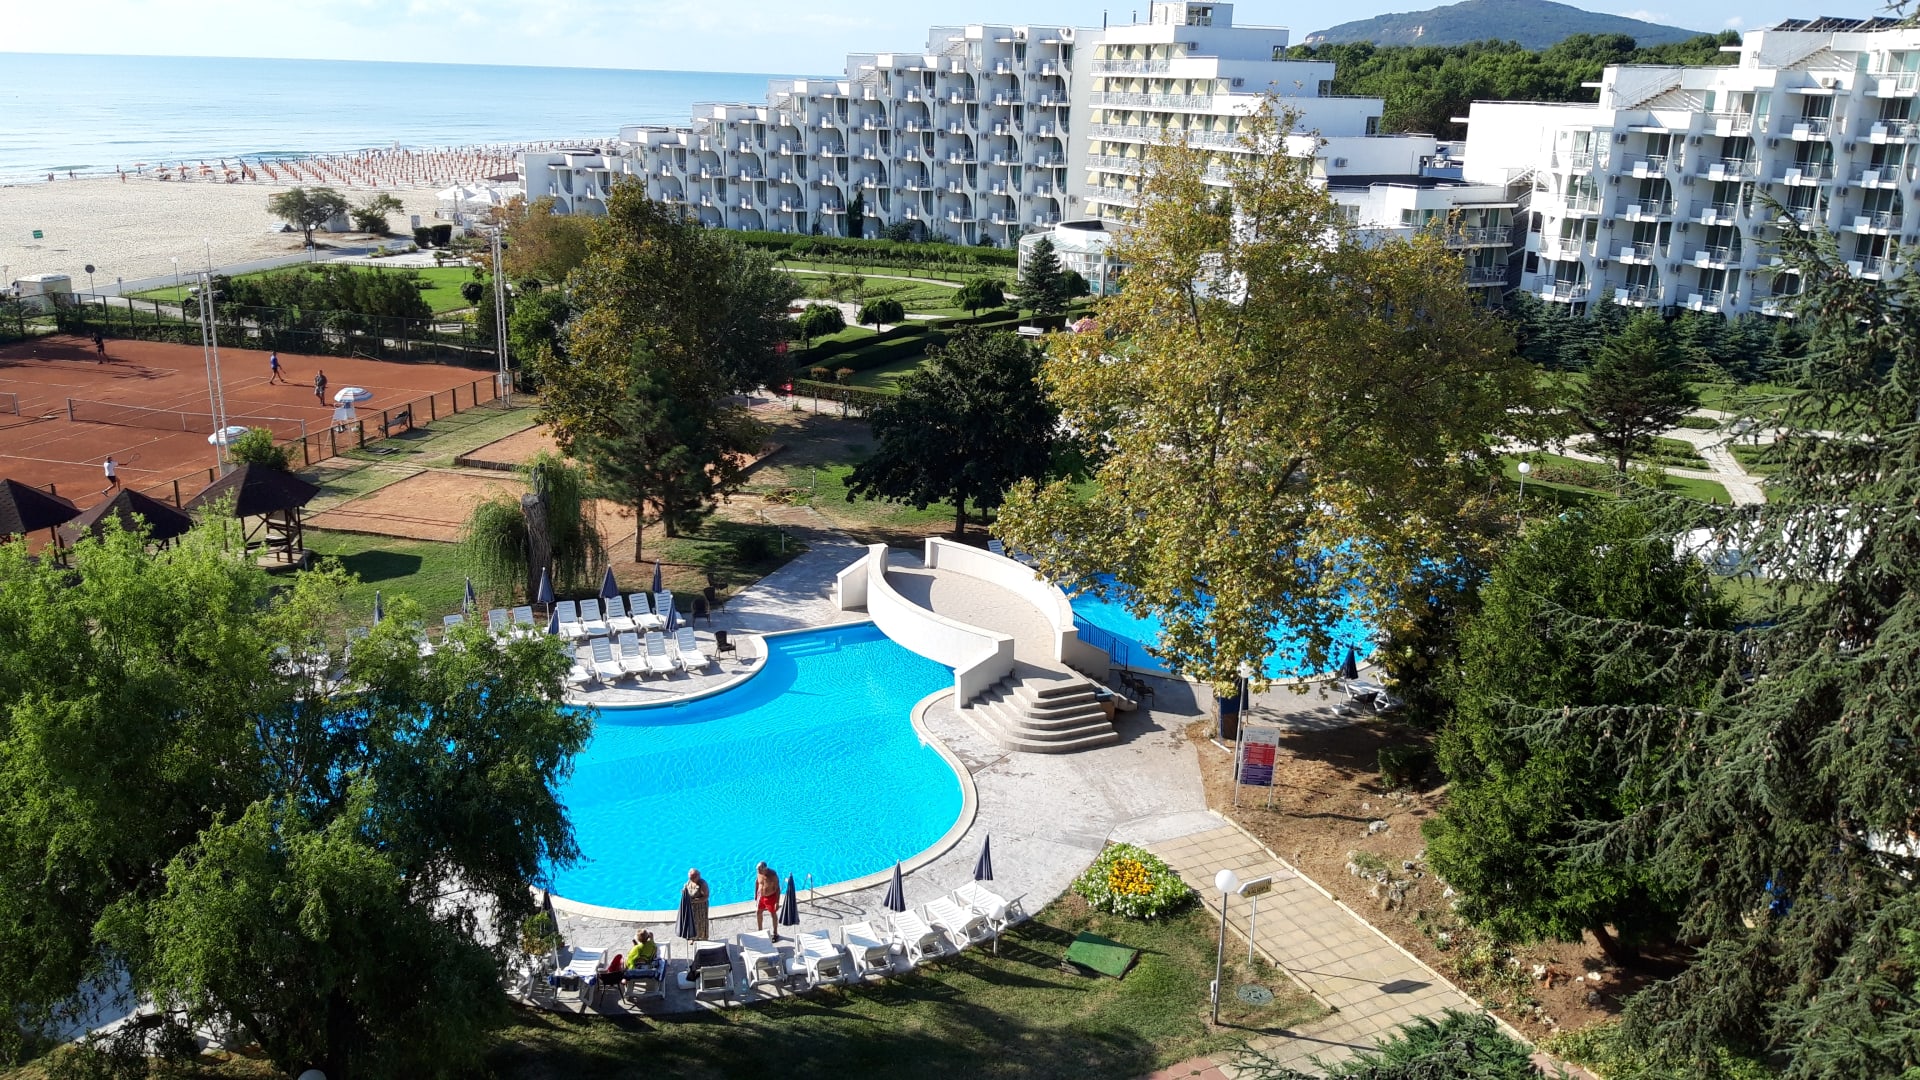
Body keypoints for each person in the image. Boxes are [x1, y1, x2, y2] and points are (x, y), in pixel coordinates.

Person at [754, 861, 781, 939]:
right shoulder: (759, 873)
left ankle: (775, 933)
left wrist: (777, 902)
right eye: (757, 870)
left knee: (773, 914)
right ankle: (760, 931)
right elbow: (757, 882)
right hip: (761, 896)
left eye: (759, 870)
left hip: (771, 897)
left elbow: (777, 889)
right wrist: (755, 894)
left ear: (765, 869)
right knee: (758, 912)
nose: (758, 872)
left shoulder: (773, 875)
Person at [683, 868, 710, 942]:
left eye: (693, 878)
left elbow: (706, 897)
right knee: (691, 922)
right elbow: (686, 887)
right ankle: (693, 937)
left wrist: (693, 901)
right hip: (691, 906)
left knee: (700, 922)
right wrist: (684, 891)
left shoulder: (702, 884)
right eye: (690, 878)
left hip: (700, 907)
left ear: (698, 876)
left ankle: (702, 937)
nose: (691, 880)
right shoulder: (690, 881)